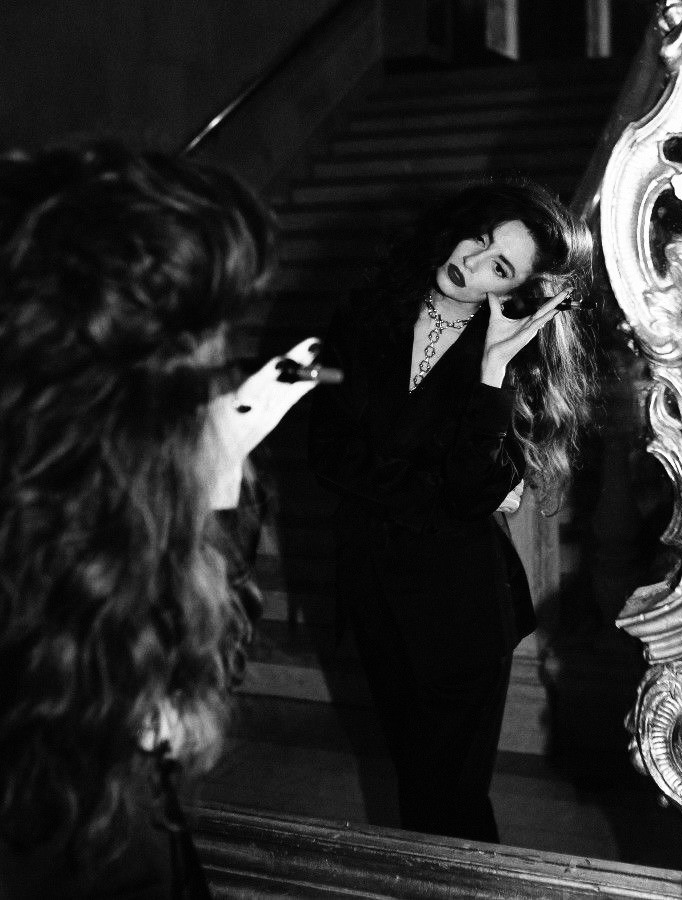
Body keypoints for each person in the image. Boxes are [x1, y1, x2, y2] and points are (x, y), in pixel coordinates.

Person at [0, 141, 321, 898]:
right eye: (201, 350)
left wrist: (216, 475)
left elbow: (194, 668)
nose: (216, 369)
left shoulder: (86, 504)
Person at [308, 176, 597, 843]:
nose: (472, 261)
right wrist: (435, 494)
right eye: (482, 237)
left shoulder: (513, 368)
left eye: (500, 267)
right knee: (417, 789)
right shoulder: (366, 315)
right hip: (375, 592)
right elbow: (327, 454)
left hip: (463, 615)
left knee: (451, 804)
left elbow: (466, 492)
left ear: (514, 292)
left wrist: (491, 371)